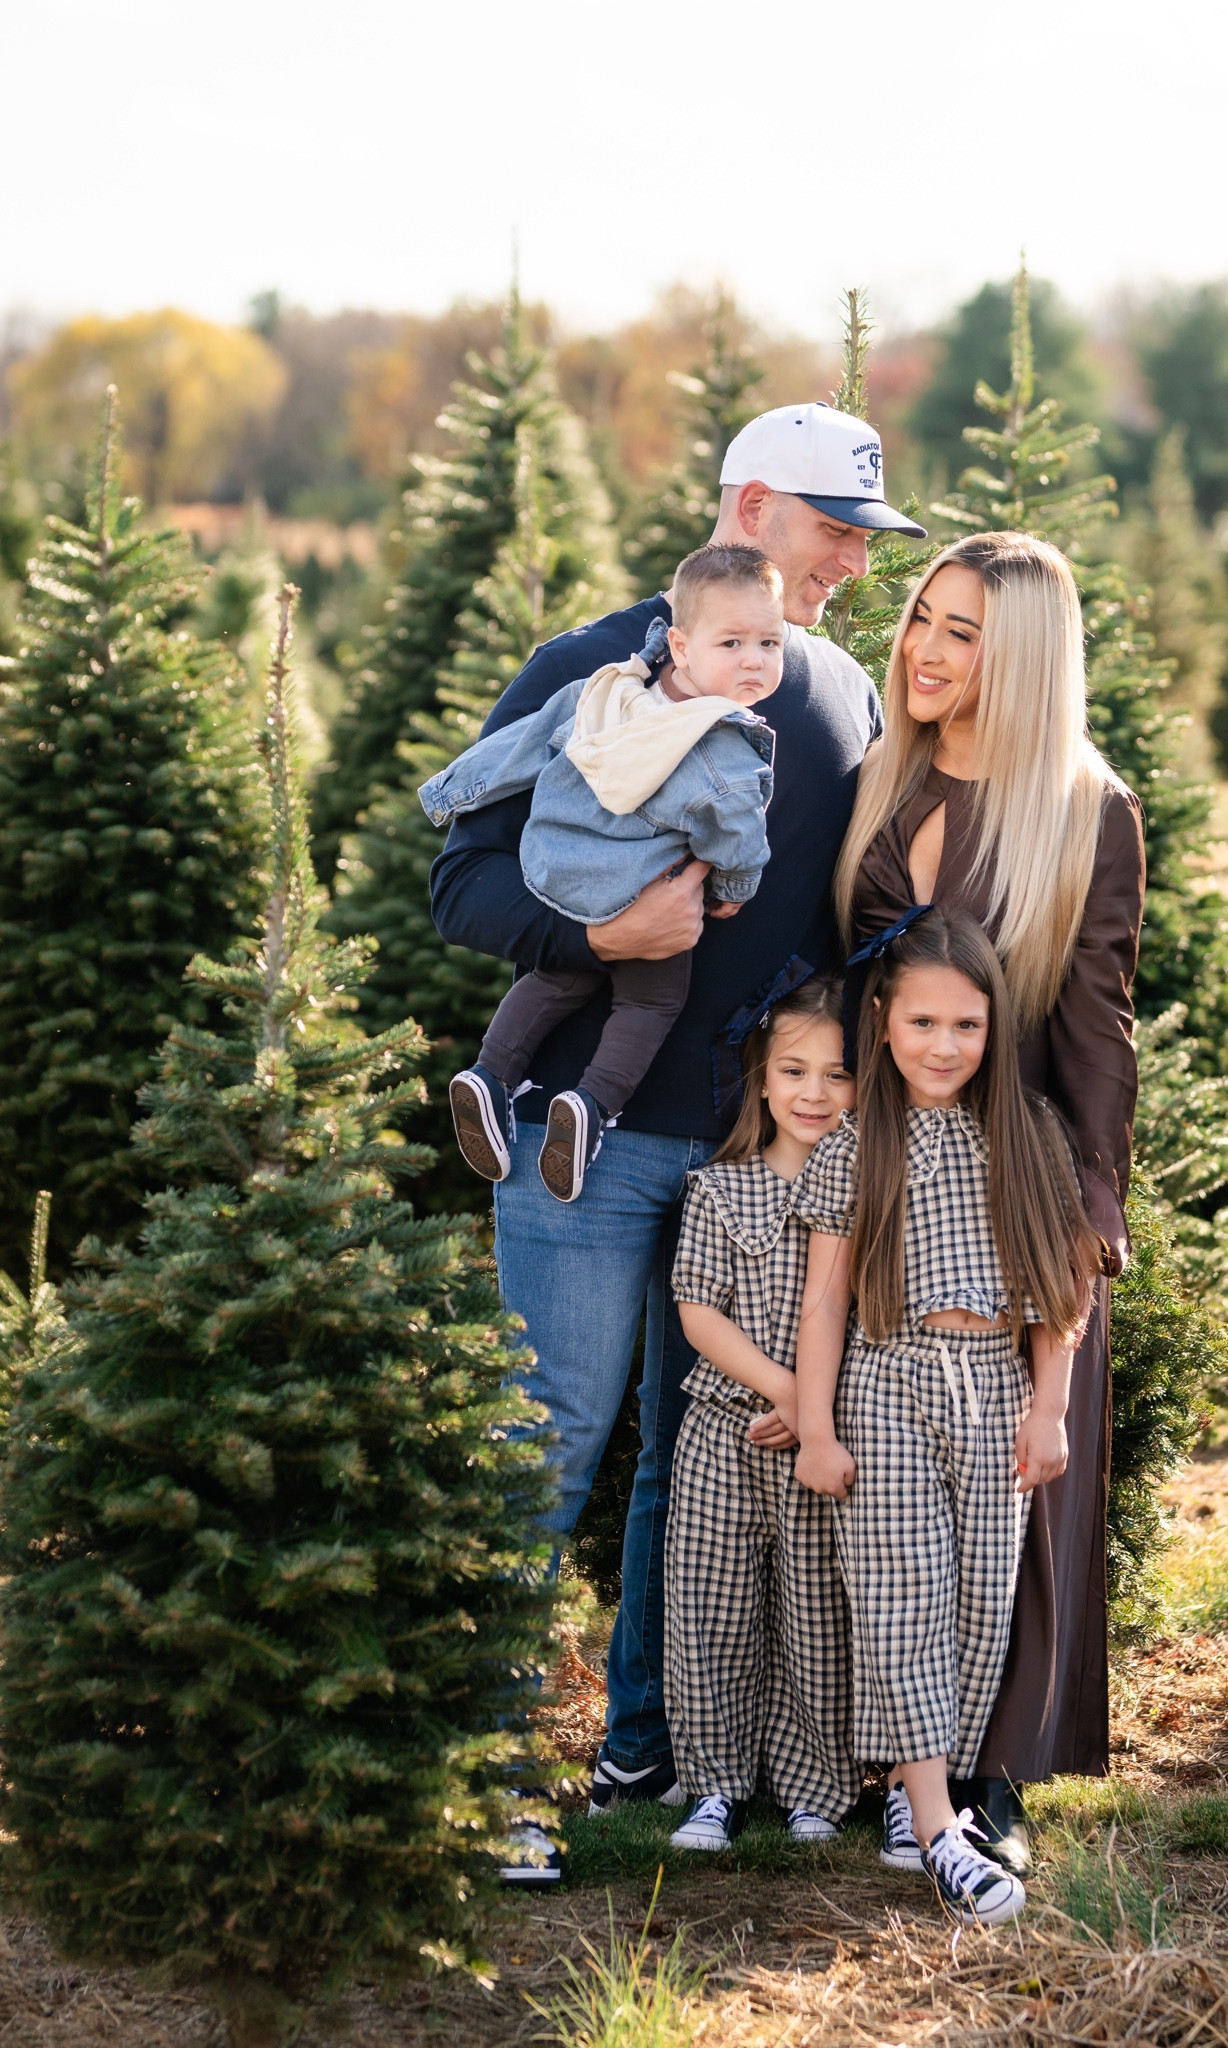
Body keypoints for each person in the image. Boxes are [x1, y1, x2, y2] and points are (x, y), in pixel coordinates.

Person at [428, 401, 925, 1860]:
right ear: (752, 505)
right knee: (552, 1437)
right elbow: (457, 883)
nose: (849, 563)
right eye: (835, 530)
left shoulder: (837, 694)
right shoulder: (587, 666)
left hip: (751, 1167)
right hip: (590, 1143)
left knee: (690, 1454)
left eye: (860, 540)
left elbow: (855, 911)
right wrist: (591, 925)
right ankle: (491, 1773)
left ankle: (640, 1751)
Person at [830, 530, 1146, 1869]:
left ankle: (991, 1774)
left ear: (1016, 657)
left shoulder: (1085, 810)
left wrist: (1088, 1210)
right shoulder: (881, 782)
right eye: (921, 619)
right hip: (870, 1170)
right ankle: (878, 1762)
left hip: (1007, 1179)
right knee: (881, 1480)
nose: (923, 648)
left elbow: (1097, 1026)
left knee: (1009, 1483)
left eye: (961, 631)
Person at [791, 908, 1101, 1925]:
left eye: (966, 1025)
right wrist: (817, 1422)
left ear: (993, 1028)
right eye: (922, 1022)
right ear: (882, 1022)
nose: (942, 1045)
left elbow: (1063, 1286)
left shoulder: (1028, 1133)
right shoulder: (855, 1143)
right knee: (901, 1589)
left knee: (973, 1604)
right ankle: (939, 1830)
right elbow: (826, 1299)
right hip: (887, 1383)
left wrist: (1049, 1407)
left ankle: (906, 1785)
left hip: (993, 1389)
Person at [422, 546, 783, 1203]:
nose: (754, 660)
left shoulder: (616, 688)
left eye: (770, 643)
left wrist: (448, 791)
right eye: (733, 642)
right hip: (638, 892)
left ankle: (490, 1073)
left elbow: (522, 743)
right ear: (683, 643)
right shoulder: (721, 739)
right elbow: (737, 833)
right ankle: (589, 1108)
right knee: (650, 999)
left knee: (559, 975)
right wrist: (732, 889)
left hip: (559, 869)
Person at [664, 975, 859, 1852]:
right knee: (713, 1607)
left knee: (817, 1615)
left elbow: (870, 1319)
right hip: (725, 1430)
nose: (814, 1094)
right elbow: (697, 1310)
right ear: (763, 1081)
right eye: (795, 1071)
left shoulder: (867, 1193)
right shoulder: (719, 1189)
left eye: (837, 1075)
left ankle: (815, 1785)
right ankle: (715, 1785)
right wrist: (788, 1392)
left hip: (823, 1443)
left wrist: (817, 1413)